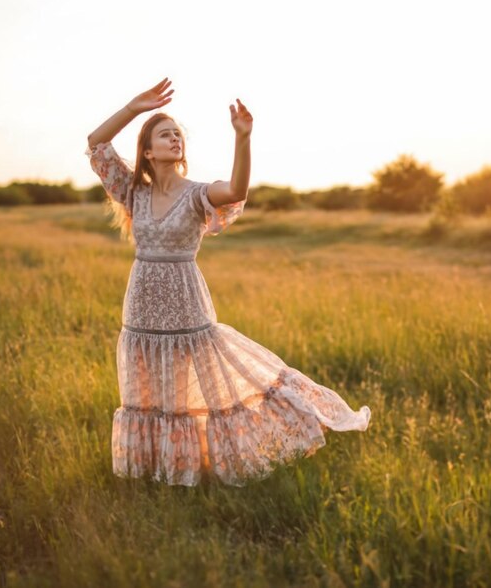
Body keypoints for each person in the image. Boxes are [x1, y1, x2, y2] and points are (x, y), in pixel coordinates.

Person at [85, 77, 371, 487]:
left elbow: (236, 188)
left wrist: (243, 139)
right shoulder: (135, 193)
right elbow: (97, 143)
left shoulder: (199, 194)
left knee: (184, 395)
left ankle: (188, 471)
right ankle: (156, 472)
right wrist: (135, 107)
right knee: (149, 393)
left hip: (186, 305)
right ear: (147, 151)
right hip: (141, 310)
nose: (174, 139)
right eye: (165, 135)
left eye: (178, 135)